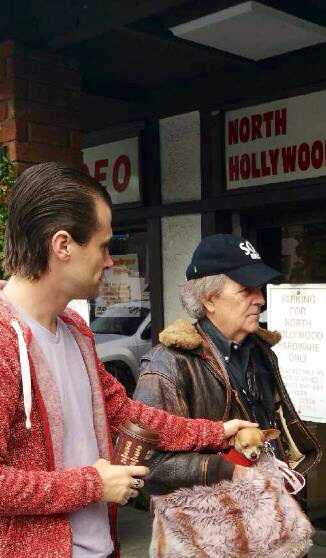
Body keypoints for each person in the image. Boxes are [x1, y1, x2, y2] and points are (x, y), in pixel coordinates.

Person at [0, 163, 255, 558]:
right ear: (62, 245)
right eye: (103, 246)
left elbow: (127, 414)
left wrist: (217, 433)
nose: (109, 261)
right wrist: (92, 485)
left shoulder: (75, 331)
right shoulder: (3, 341)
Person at [133, 233, 321, 493]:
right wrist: (227, 470)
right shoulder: (168, 365)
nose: (260, 299)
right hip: (209, 523)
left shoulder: (261, 352)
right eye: (246, 290)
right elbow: (145, 464)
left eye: (259, 288)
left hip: (265, 509)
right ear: (209, 299)